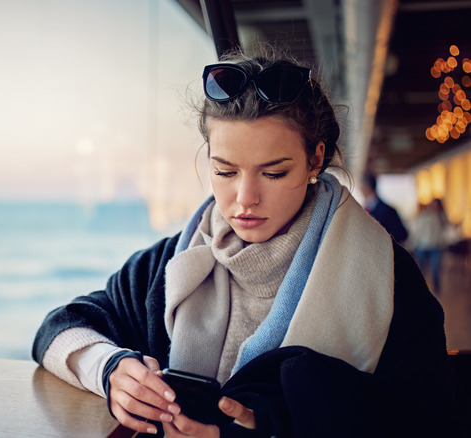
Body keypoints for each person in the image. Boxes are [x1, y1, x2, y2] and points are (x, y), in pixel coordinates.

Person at [32, 48, 469, 437]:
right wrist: (110, 370)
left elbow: (426, 414)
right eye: (225, 171)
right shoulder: (171, 261)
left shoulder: (387, 277)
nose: (244, 199)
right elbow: (59, 328)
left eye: (274, 172)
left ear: (316, 158)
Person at [411, 198, 450, 293]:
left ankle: (436, 290)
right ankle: (421, 289)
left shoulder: (441, 216)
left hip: (436, 246)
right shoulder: (424, 215)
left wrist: (440, 215)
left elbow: (447, 226)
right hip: (422, 246)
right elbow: (418, 230)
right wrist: (413, 243)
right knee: (421, 270)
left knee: (435, 270)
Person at [360, 172, 409, 244]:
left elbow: (402, 234)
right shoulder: (366, 209)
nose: (360, 189)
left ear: (368, 187)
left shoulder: (388, 210)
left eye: (362, 185)